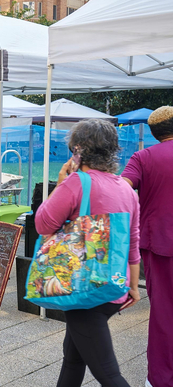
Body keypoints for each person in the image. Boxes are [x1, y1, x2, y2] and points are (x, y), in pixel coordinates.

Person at [35, 119, 139, 387]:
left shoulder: (76, 183)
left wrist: (60, 183)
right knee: (73, 358)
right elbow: (133, 241)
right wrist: (134, 286)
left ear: (78, 151)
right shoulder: (126, 188)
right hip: (114, 283)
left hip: (82, 286)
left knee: (109, 374)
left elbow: (43, 224)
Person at [121, 106, 173, 387]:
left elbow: (122, 187)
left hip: (159, 245)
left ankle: (161, 379)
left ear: (154, 133)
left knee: (164, 314)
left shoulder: (143, 157)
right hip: (159, 243)